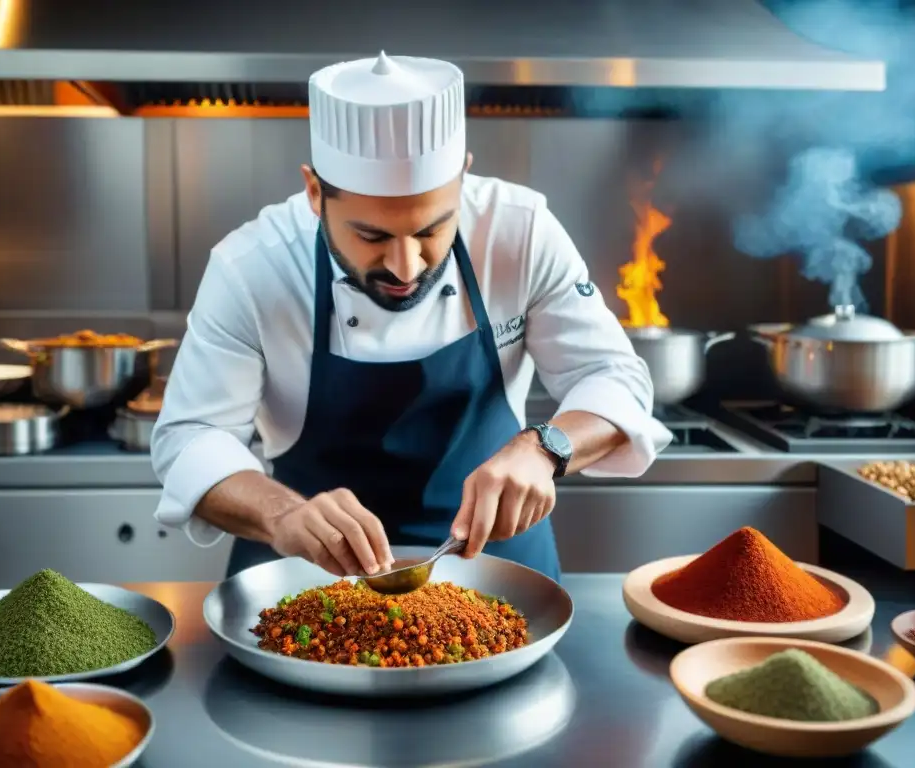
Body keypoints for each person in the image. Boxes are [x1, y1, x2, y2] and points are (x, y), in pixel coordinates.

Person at [150, 51, 672, 583]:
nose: (406, 266)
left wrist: (546, 448)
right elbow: (190, 436)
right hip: (305, 575)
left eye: (431, 231)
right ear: (314, 193)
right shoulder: (252, 267)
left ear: (463, 179)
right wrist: (282, 514)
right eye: (371, 236)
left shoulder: (522, 231)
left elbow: (614, 378)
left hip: (496, 572)